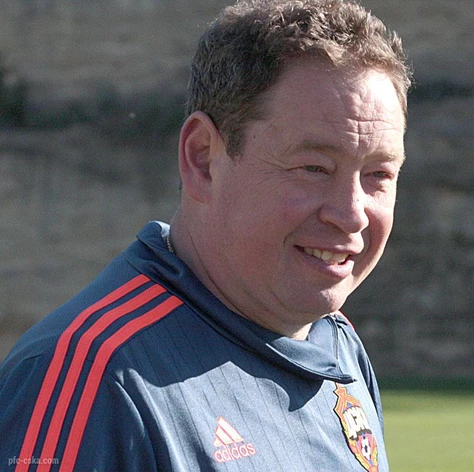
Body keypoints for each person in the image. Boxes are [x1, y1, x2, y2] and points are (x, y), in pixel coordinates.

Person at [0, 0, 411, 470]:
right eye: (314, 167)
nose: (352, 214)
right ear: (202, 159)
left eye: (379, 174)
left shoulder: (339, 345)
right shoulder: (93, 379)